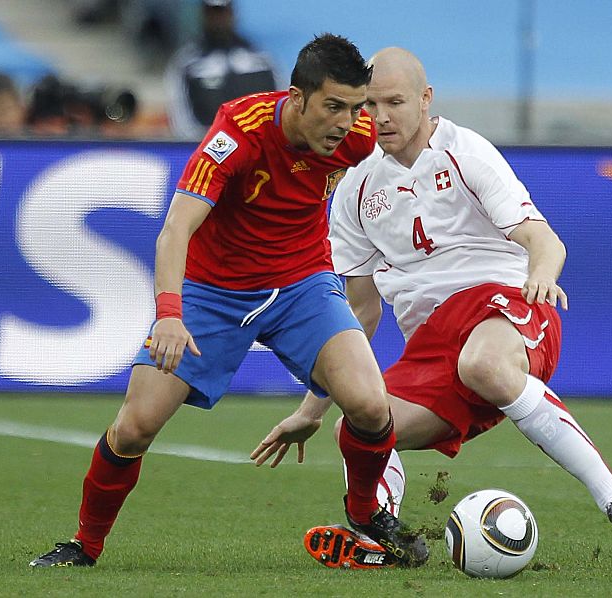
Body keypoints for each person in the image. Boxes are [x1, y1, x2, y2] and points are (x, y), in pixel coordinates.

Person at [252, 47, 612, 569]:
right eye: (369, 106)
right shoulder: (355, 186)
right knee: (358, 427)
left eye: (395, 102)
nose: (380, 118)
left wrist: (540, 275)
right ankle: (385, 535)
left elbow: (545, 241)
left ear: (425, 99)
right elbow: (357, 314)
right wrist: (311, 410)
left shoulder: (465, 152)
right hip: (434, 348)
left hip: (506, 308)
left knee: (484, 363)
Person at [29, 34, 428, 569]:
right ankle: (84, 545)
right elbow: (174, 231)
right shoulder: (237, 132)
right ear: (298, 97)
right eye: (333, 106)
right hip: (212, 293)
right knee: (135, 427)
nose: (346, 122)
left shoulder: (356, 135)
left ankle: (363, 515)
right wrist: (169, 315)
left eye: (356, 108)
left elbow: (424, 136)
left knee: (370, 403)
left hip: (301, 284)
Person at [165, 0, 277, 140]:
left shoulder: (260, 58)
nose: (218, 20)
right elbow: (180, 116)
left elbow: (279, 101)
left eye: (222, 12)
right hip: (209, 148)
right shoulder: (187, 63)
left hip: (259, 145)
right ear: (203, 16)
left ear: (232, 14)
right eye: (212, 13)